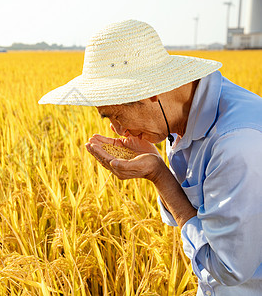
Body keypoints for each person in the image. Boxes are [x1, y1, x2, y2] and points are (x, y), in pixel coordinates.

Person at [38, 19, 262, 295]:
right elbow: (191, 219)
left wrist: (160, 176)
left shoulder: (236, 143)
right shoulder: (178, 119)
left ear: (150, 93)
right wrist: (158, 170)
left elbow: (228, 268)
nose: (117, 130)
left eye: (115, 115)